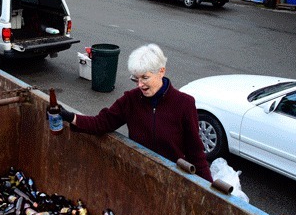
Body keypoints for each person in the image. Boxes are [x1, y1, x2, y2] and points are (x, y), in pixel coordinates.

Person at [56, 44, 213, 182]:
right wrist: (70, 116)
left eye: (145, 78)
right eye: (136, 79)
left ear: (161, 71)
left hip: (171, 181)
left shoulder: (184, 104)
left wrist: (210, 190)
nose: (140, 85)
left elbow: (196, 152)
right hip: (139, 175)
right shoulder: (131, 100)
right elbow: (102, 122)